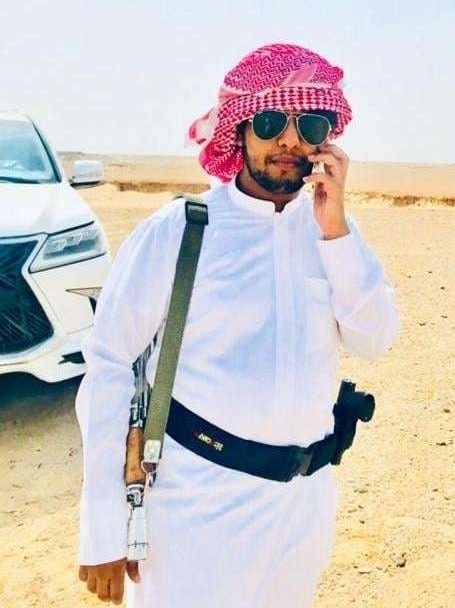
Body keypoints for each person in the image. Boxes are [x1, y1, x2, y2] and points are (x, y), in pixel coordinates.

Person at [75, 43, 401, 607]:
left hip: (301, 509)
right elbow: (109, 363)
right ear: (240, 131)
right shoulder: (182, 228)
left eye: (310, 125)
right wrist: (103, 525)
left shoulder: (333, 233)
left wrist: (336, 231)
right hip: (197, 509)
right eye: (271, 122)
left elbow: (374, 339)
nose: (290, 141)